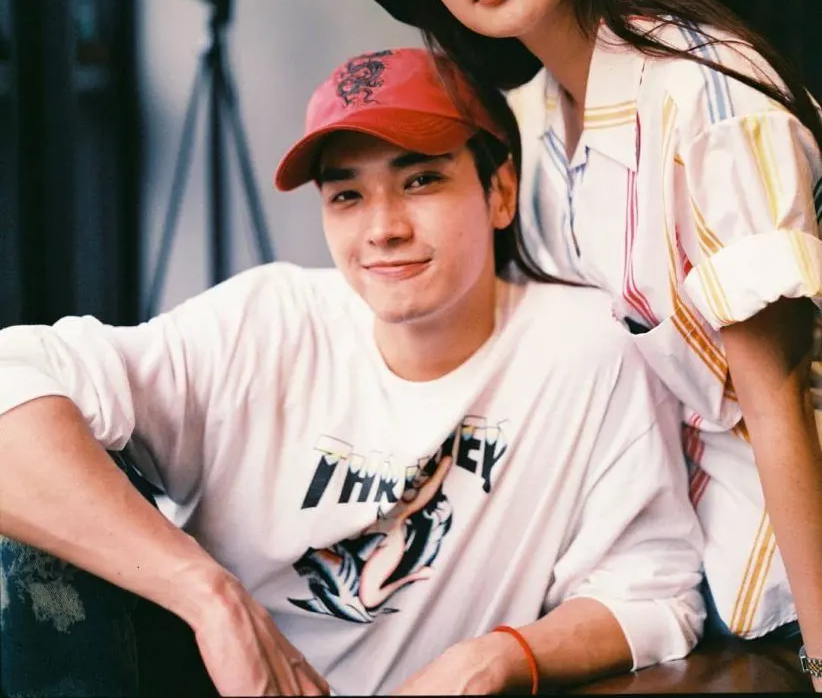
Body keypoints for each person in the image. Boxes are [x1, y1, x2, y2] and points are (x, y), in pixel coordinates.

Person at [327, 0, 822, 686]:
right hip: (668, 562)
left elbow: (778, 397)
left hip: (789, 578)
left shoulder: (705, 95)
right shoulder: (534, 126)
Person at [0, 47, 705, 696]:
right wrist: (207, 594)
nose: (383, 228)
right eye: (347, 196)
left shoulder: (584, 350)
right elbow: (15, 379)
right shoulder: (265, 324)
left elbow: (651, 593)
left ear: (499, 192)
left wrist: (499, 657)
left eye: (421, 180)